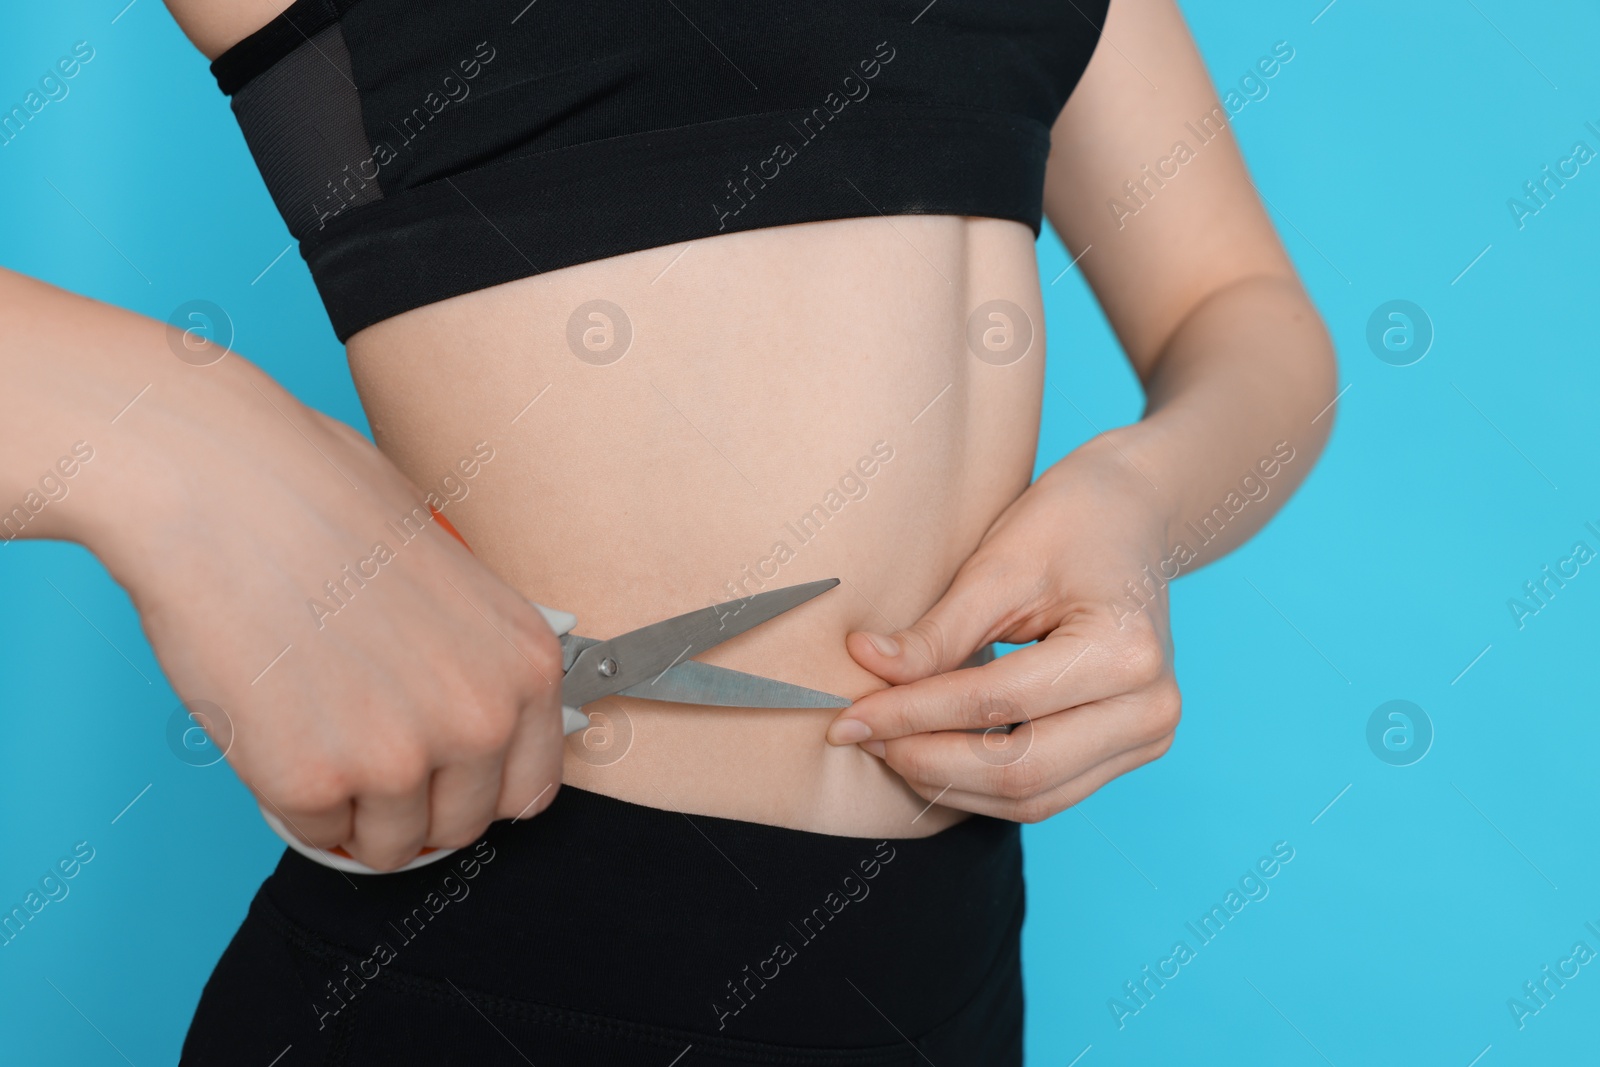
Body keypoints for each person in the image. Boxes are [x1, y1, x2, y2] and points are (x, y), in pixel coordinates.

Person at [1, 0, 1336, 1061]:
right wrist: (182, 442)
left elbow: (1239, 309)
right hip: (497, 984)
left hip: (951, 984)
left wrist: (1144, 509)